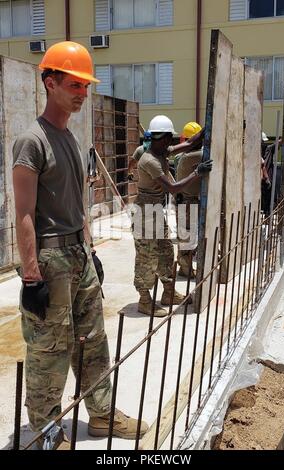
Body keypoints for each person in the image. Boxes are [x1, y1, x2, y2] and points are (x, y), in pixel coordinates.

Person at [12, 41, 148, 450]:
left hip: (77, 254)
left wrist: (90, 251)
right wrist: (32, 274)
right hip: (50, 261)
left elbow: (78, 205)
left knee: (93, 341)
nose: (82, 94)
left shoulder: (70, 138)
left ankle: (102, 415)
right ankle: (47, 428)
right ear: (50, 82)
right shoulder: (31, 141)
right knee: (50, 351)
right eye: (75, 85)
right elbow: (22, 213)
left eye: (86, 86)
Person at [132, 115, 212, 317]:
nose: (172, 142)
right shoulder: (150, 160)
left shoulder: (161, 152)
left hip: (156, 210)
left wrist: (206, 128)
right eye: (169, 138)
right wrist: (197, 173)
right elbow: (173, 188)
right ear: (162, 138)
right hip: (146, 213)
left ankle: (168, 293)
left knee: (165, 252)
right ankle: (144, 300)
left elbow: (189, 144)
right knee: (146, 258)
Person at [174, 121, 203, 277]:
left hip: (183, 199)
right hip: (188, 200)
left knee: (184, 234)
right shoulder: (194, 156)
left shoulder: (181, 156)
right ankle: (185, 267)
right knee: (187, 236)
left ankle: (182, 264)